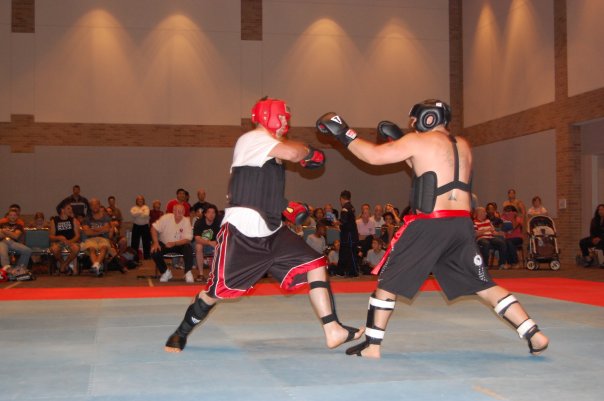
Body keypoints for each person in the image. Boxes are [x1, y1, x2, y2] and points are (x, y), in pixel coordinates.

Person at [316, 99, 548, 358]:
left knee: (388, 281)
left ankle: (372, 346)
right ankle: (533, 333)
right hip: (460, 226)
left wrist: (343, 132)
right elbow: (426, 170)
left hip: (429, 224)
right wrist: (400, 140)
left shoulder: (418, 141)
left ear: (426, 118)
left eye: (414, 121)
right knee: (484, 284)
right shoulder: (463, 145)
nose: (412, 126)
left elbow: (372, 156)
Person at [163, 97, 363, 353]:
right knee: (215, 292)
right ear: (267, 115)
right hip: (242, 235)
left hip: (273, 233)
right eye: (281, 117)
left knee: (315, 263)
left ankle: (332, 329)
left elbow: (262, 191)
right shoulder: (252, 139)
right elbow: (293, 152)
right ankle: (181, 333)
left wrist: (287, 207)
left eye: (286, 119)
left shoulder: (269, 150)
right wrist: (310, 152)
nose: (284, 123)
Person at [151, 204, 194, 283]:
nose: (180, 213)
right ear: (173, 211)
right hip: (164, 243)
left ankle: (188, 272)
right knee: (154, 251)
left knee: (188, 247)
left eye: (182, 211)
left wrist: (174, 243)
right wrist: (156, 243)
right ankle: (165, 272)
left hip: (179, 244)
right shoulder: (165, 218)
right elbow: (153, 229)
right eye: (178, 211)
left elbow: (188, 239)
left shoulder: (186, 221)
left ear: (184, 212)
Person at [80, 198, 113, 277]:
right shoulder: (87, 218)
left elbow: (108, 228)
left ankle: (96, 266)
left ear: (99, 205)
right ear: (90, 207)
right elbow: (87, 232)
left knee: (104, 247)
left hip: (103, 238)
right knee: (92, 249)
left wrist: (93, 230)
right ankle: (97, 266)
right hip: (90, 239)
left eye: (96, 204)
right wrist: (102, 230)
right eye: (92, 205)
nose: (94, 206)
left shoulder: (105, 217)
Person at [49, 201, 81, 274]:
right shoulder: (54, 221)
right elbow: (51, 236)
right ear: (62, 210)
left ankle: (64, 265)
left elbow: (77, 236)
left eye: (71, 208)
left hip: (71, 241)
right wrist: (59, 238)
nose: (71, 210)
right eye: (68, 208)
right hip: (59, 242)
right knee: (54, 249)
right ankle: (63, 263)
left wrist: (69, 242)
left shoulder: (74, 220)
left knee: (76, 248)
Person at [193, 204, 221, 282]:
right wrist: (209, 242)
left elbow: (220, 238)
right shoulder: (199, 222)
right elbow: (197, 239)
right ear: (205, 214)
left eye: (213, 213)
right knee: (199, 246)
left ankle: (215, 274)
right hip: (201, 243)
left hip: (212, 244)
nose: (211, 215)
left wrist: (215, 243)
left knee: (219, 247)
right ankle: (201, 274)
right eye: (209, 212)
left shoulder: (218, 223)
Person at [130, 195, 151, 260]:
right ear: (136, 201)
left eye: (141, 199)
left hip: (145, 226)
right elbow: (133, 214)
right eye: (138, 199)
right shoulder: (133, 207)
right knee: (134, 243)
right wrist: (141, 211)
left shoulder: (146, 207)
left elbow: (146, 214)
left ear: (143, 200)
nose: (140, 200)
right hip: (136, 226)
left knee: (146, 243)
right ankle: (134, 258)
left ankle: (147, 257)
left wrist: (137, 213)